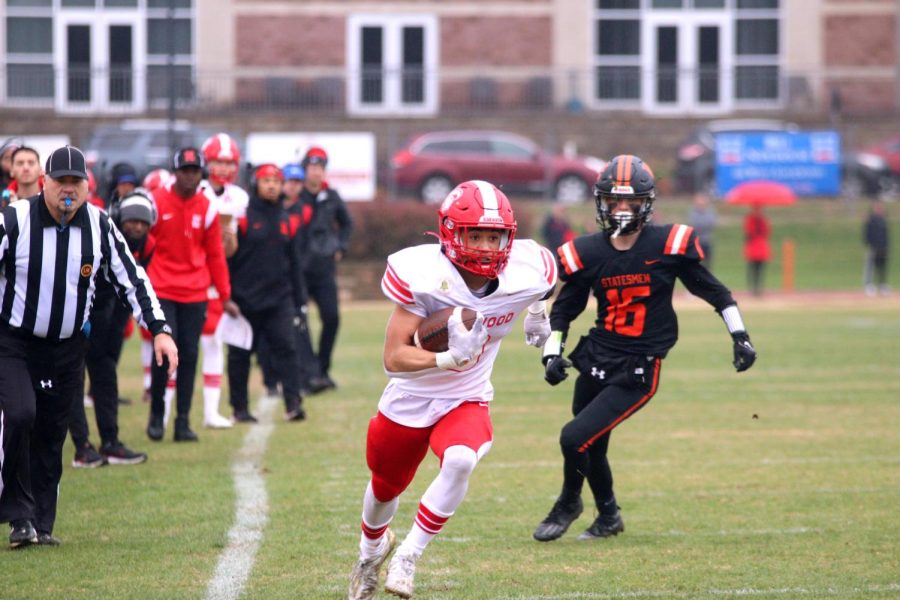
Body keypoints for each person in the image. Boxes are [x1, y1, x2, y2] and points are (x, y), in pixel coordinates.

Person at [347, 180, 557, 600]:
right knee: (385, 486)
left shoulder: (527, 267)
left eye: (493, 236)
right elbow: (393, 357)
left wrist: (537, 312)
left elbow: (545, 283)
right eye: (474, 235)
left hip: (467, 395)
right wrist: (445, 359)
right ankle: (370, 552)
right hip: (411, 395)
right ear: (450, 233)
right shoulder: (424, 275)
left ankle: (408, 556)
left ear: (508, 237)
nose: (484, 246)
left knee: (461, 460)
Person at [531, 155, 757, 544]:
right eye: (614, 201)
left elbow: (715, 292)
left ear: (646, 203)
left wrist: (740, 335)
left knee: (573, 438)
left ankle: (569, 501)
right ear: (601, 202)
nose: (621, 209)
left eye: (630, 201)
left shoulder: (668, 244)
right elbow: (565, 309)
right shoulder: (586, 250)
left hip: (638, 367)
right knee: (592, 445)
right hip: (597, 357)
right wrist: (552, 352)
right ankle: (609, 517)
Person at [0, 145, 177, 548]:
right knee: (22, 414)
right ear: (43, 182)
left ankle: (40, 525)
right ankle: (17, 513)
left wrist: (160, 328)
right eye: (60, 181)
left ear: (86, 186)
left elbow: (132, 279)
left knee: (52, 433)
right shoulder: (14, 220)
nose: (68, 189)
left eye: (75, 182)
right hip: (15, 342)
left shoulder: (99, 225)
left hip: (66, 347)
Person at [146, 147, 236, 442]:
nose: (189, 176)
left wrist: (225, 295)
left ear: (201, 174)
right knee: (164, 353)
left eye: (194, 171)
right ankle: (157, 414)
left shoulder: (207, 207)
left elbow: (215, 254)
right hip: (162, 288)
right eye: (184, 170)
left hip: (195, 291)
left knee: (189, 353)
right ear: (175, 172)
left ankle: (182, 420)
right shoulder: (157, 201)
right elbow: (144, 244)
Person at [68, 189, 159, 468]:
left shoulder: (149, 244)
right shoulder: (99, 234)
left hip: (113, 311)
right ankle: (82, 445)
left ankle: (110, 442)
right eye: (132, 220)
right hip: (82, 309)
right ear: (119, 217)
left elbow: (133, 283)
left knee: (106, 370)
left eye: (143, 222)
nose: (137, 227)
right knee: (74, 375)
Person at [226, 164, 307, 422]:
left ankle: (293, 404)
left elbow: (294, 264)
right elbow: (228, 258)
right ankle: (239, 409)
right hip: (244, 300)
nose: (272, 185)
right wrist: (226, 295)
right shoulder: (243, 216)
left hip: (278, 299)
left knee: (287, 348)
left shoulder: (286, 219)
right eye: (266, 180)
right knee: (240, 355)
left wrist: (300, 302)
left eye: (276, 180)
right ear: (256, 184)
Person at [197, 132, 248, 427]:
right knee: (184, 344)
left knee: (214, 341)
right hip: (191, 274)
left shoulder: (238, 197)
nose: (225, 167)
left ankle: (210, 411)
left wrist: (227, 239)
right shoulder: (195, 190)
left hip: (216, 277)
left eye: (229, 162)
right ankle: (164, 411)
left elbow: (231, 250)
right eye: (219, 161)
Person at [258, 161, 317, 398]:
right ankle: (270, 380)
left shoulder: (304, 211)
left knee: (292, 333)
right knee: (264, 335)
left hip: (290, 281)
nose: (291, 187)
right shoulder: (267, 211)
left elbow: (300, 250)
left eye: (296, 183)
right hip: (263, 283)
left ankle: (301, 379)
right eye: (289, 182)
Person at [299, 146, 353, 393]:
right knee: (299, 321)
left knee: (332, 318)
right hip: (299, 269)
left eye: (320, 168)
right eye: (312, 168)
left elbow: (346, 223)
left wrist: (340, 246)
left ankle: (322, 370)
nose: (316, 173)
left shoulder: (331, 196)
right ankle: (309, 374)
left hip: (323, 268)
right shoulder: (296, 196)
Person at [863, 200, 890, 296]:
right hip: (873, 247)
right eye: (877, 208)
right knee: (870, 267)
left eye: (880, 208)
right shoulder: (870, 220)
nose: (879, 210)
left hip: (883, 247)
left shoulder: (883, 220)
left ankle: (882, 285)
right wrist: (870, 245)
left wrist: (887, 246)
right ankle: (868, 285)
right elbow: (867, 234)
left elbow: (886, 235)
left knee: (882, 267)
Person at [743, 203, 771, 297]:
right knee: (752, 269)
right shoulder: (750, 220)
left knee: (760, 269)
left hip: (760, 247)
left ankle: (758, 288)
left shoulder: (763, 220)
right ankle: (753, 288)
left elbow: (767, 232)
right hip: (753, 247)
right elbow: (748, 233)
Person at [687, 192, 717, 270]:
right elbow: (693, 224)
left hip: (707, 240)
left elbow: (711, 223)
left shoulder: (710, 212)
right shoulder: (692, 212)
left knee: (708, 262)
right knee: (696, 262)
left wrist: (702, 225)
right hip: (696, 241)